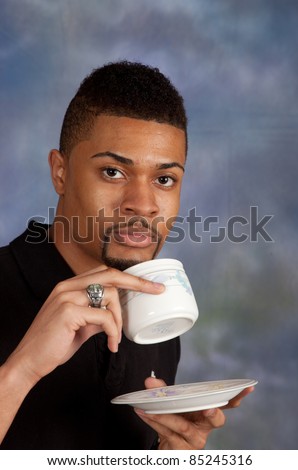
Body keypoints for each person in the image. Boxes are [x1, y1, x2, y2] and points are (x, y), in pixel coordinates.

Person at [0, 61, 254, 450]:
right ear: (60, 172)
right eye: (113, 172)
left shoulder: (159, 320)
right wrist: (21, 371)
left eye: (164, 179)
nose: (143, 205)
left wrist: (167, 456)